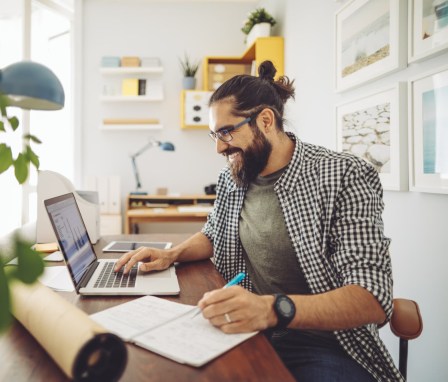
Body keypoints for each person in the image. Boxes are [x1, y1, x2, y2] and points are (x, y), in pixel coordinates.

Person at [115, 60, 402, 381]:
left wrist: (270, 310)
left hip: (323, 343)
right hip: (246, 333)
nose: (219, 147)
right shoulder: (235, 176)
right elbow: (213, 234)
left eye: (226, 132)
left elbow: (372, 297)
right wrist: (171, 254)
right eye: (214, 134)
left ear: (266, 120)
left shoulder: (343, 174)